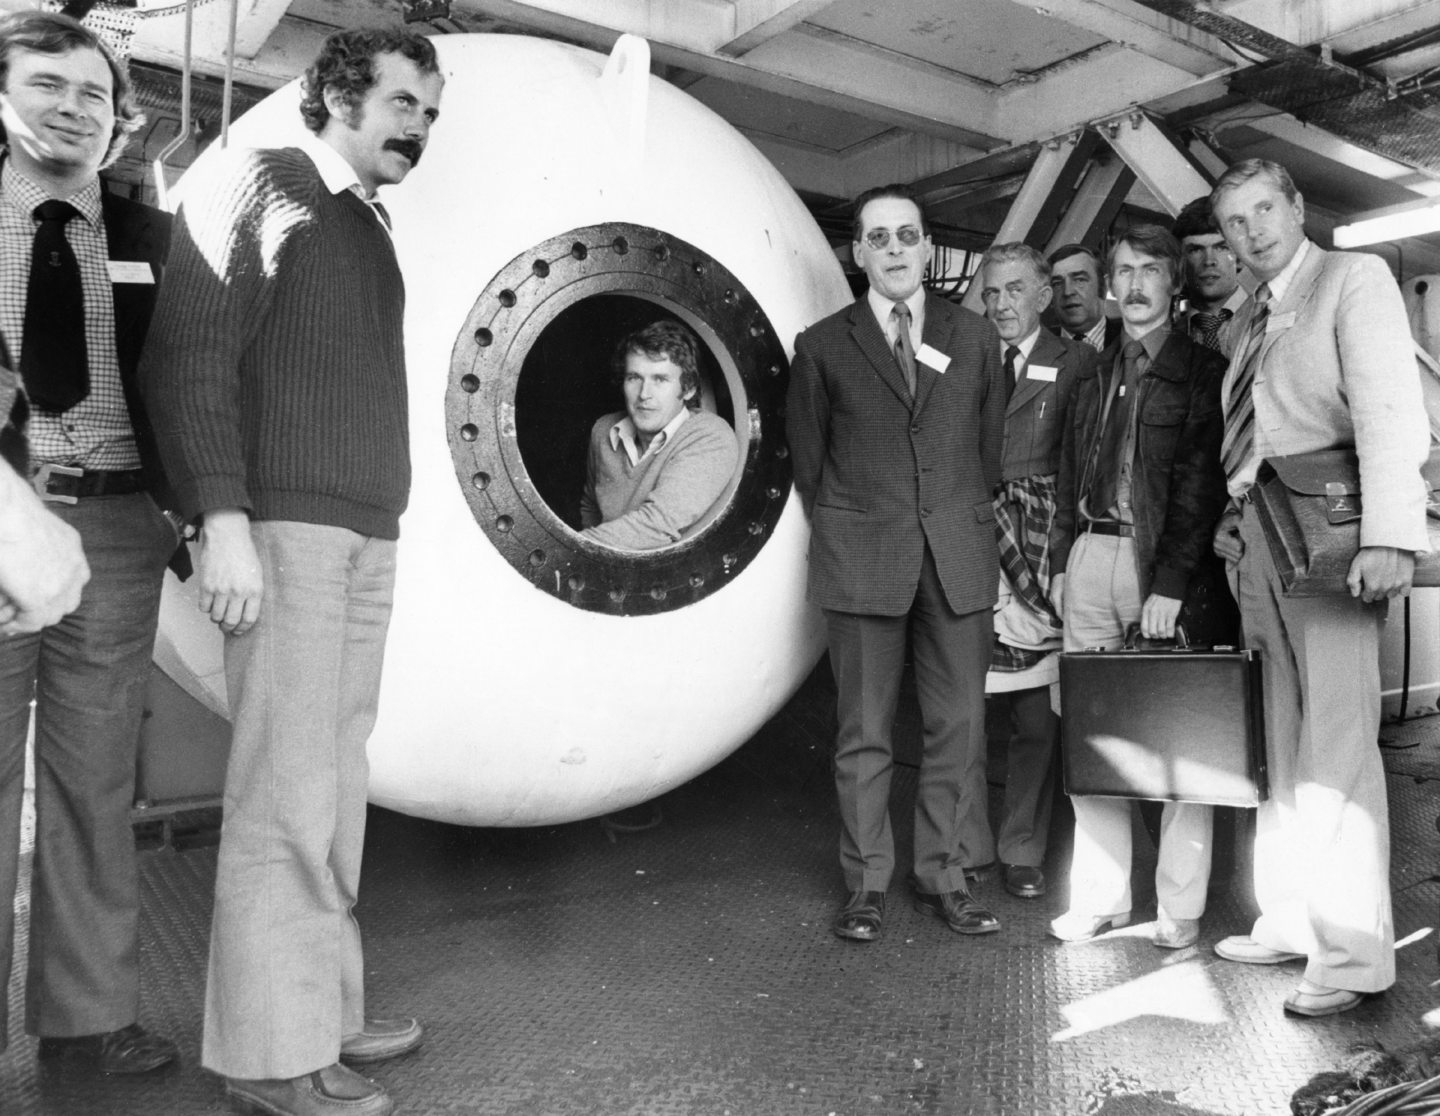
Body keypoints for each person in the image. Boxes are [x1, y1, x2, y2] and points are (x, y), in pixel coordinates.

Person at [140, 27, 444, 1116]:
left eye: (430, 111)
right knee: (284, 790)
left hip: (364, 533)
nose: (422, 126)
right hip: (287, 532)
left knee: (337, 781)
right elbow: (188, 356)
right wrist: (221, 519)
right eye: (407, 103)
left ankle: (324, 1009)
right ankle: (272, 1060)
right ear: (340, 96)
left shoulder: (363, 222)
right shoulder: (258, 179)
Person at [0, 10, 184, 1075]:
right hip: (7, 520)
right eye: (48, 86)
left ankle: (85, 1023)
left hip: (116, 526)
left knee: (94, 780)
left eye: (95, 96)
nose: (74, 109)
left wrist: (179, 512)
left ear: (118, 124)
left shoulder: (149, 235)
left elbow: (188, 379)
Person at [1208, 158, 1429, 1017]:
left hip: (1335, 542)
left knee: (1335, 749)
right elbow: (1255, 429)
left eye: (1266, 209)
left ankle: (1353, 959)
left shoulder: (1352, 277)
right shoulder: (1250, 315)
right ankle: (1294, 919)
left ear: (1297, 208)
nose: (1254, 230)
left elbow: (1387, 411)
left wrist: (1389, 538)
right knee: (1280, 739)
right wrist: (1234, 514)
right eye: (1235, 221)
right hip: (1262, 538)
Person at [787, 183, 1006, 943]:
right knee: (864, 732)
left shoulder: (975, 338)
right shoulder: (820, 346)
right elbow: (810, 466)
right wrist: (863, 523)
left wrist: (948, 515)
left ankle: (944, 874)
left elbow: (988, 454)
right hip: (862, 559)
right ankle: (866, 884)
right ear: (858, 253)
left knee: (958, 726)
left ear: (926, 247)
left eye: (906, 236)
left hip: (957, 555)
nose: (894, 251)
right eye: (877, 238)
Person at [1048, 225, 1232, 949]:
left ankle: (1179, 909)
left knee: (1180, 740)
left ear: (1173, 279)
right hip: (1092, 555)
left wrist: (1173, 583)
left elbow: (1197, 485)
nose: (1134, 283)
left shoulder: (1201, 371)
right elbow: (1067, 477)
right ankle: (1101, 897)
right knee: (1093, 735)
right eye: (1122, 271)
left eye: (1149, 269)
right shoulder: (1091, 371)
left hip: (1158, 567)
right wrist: (1064, 564)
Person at [976, 242, 1091, 901]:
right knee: (960, 711)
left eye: (1014, 290)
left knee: (1033, 719)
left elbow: (1083, 466)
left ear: (1043, 296)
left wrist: (1064, 559)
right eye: (991, 293)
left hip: (1040, 551)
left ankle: (1021, 849)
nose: (1000, 304)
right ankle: (964, 848)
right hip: (970, 542)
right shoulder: (962, 359)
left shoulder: (1080, 363)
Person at [579, 320, 737, 550]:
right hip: (604, 570)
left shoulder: (710, 436)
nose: (644, 394)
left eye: (660, 379)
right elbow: (591, 507)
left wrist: (570, 552)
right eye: (634, 378)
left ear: (689, 388)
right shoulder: (604, 430)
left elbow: (657, 526)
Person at [1171, 196, 1246, 353]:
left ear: (1240, 258)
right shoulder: (1166, 328)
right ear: (1179, 262)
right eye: (1196, 250)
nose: (1209, 261)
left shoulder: (1267, 317)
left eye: (1221, 248)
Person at [1048, 244, 1122, 351]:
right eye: (1058, 283)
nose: (1068, 292)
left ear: (1104, 286)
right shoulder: (1036, 347)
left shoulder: (1130, 341)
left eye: (1079, 280)